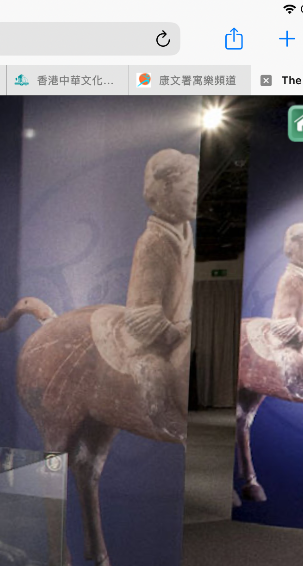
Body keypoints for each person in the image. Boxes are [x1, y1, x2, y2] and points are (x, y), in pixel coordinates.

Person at [121, 148, 199, 440]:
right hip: (152, 341)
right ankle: (168, 422)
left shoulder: (186, 235)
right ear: (165, 190)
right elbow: (140, 313)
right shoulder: (152, 241)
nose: (197, 197)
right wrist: (171, 333)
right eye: (190, 190)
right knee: (153, 375)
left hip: (179, 330)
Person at [269, 222, 303, 399]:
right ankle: (300, 387)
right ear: (297, 248)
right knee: (291, 359)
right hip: (290, 342)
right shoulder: (291, 280)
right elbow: (281, 324)